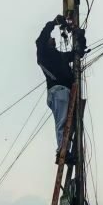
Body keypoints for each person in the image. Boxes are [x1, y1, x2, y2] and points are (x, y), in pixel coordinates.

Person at [36, 15, 83, 162]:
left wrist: (80, 35)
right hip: (58, 91)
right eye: (51, 39)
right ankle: (62, 151)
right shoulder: (44, 54)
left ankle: (65, 150)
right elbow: (41, 39)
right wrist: (54, 23)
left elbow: (77, 54)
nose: (54, 39)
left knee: (69, 123)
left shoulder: (59, 56)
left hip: (66, 92)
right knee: (62, 121)